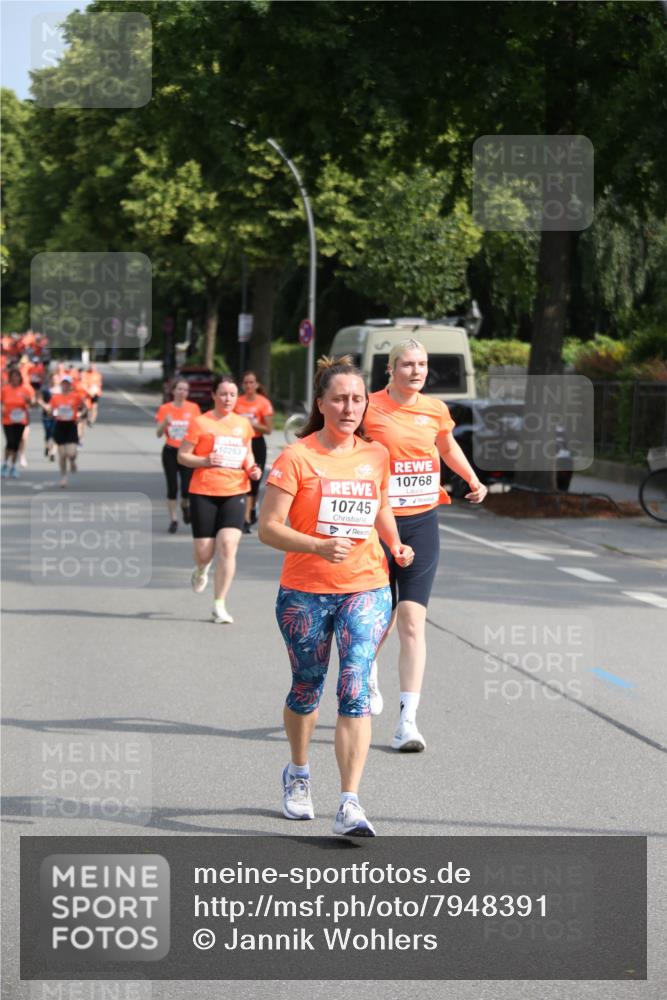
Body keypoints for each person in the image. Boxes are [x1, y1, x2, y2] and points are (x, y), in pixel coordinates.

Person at [258, 356, 414, 837]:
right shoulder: (296, 458)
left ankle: (350, 802)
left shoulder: (376, 456)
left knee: (354, 687)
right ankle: (299, 773)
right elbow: (267, 529)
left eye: (358, 399)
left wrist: (394, 542)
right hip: (305, 591)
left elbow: (381, 504)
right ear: (322, 404)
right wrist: (318, 545)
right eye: (340, 399)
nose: (350, 407)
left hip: (365, 586)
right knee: (307, 688)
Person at [363, 338, 487, 752]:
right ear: (390, 369)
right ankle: (368, 672)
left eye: (422, 365)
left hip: (421, 522)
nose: (416, 371)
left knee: (412, 621)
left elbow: (447, 446)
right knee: (380, 617)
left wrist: (472, 478)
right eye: (407, 364)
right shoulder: (368, 406)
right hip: (376, 524)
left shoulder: (435, 410)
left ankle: (407, 723)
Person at [177, 374, 262, 624]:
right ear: (214, 395)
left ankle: (219, 604)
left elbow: (247, 454)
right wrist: (204, 461)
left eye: (232, 394)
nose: (228, 399)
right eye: (223, 394)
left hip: (235, 490)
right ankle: (202, 569)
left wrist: (253, 468)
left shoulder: (243, 424)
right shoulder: (200, 423)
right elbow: (183, 456)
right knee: (204, 552)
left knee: (227, 546)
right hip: (203, 491)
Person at [155, 378, 201, 533]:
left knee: (186, 488)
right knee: (172, 486)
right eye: (179, 389)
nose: (182, 393)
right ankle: (173, 520)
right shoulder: (165, 409)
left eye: (185, 390)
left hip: (187, 452)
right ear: (173, 391)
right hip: (170, 451)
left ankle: (185, 505)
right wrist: (164, 423)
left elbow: (200, 430)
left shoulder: (193, 408)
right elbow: (158, 434)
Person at [234, 370, 274, 533]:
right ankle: (245, 518)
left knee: (254, 480)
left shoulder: (263, 403)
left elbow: (269, 429)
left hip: (257, 442)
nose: (249, 386)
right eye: (246, 383)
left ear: (257, 385)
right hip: (239, 443)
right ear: (242, 385)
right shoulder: (237, 402)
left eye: (252, 382)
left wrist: (250, 423)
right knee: (242, 479)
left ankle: (250, 510)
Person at [43, 374, 87, 488]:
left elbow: (85, 408)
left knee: (71, 453)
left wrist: (80, 415)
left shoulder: (76, 396)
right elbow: (50, 410)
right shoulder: (55, 397)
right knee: (62, 455)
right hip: (60, 426)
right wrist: (50, 412)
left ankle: (72, 461)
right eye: (63, 383)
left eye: (67, 383)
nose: (65, 385)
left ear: (70, 385)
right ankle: (64, 477)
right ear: (61, 385)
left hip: (71, 426)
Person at [1, 368, 34, 478]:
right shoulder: (5, 390)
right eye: (13, 376)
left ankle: (13, 466)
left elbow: (32, 403)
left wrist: (28, 400)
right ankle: (5, 464)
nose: (15, 378)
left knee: (16, 444)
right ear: (10, 378)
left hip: (21, 420)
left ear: (20, 378)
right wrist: (2, 409)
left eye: (17, 376)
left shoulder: (25, 390)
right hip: (8, 420)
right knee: (10, 442)